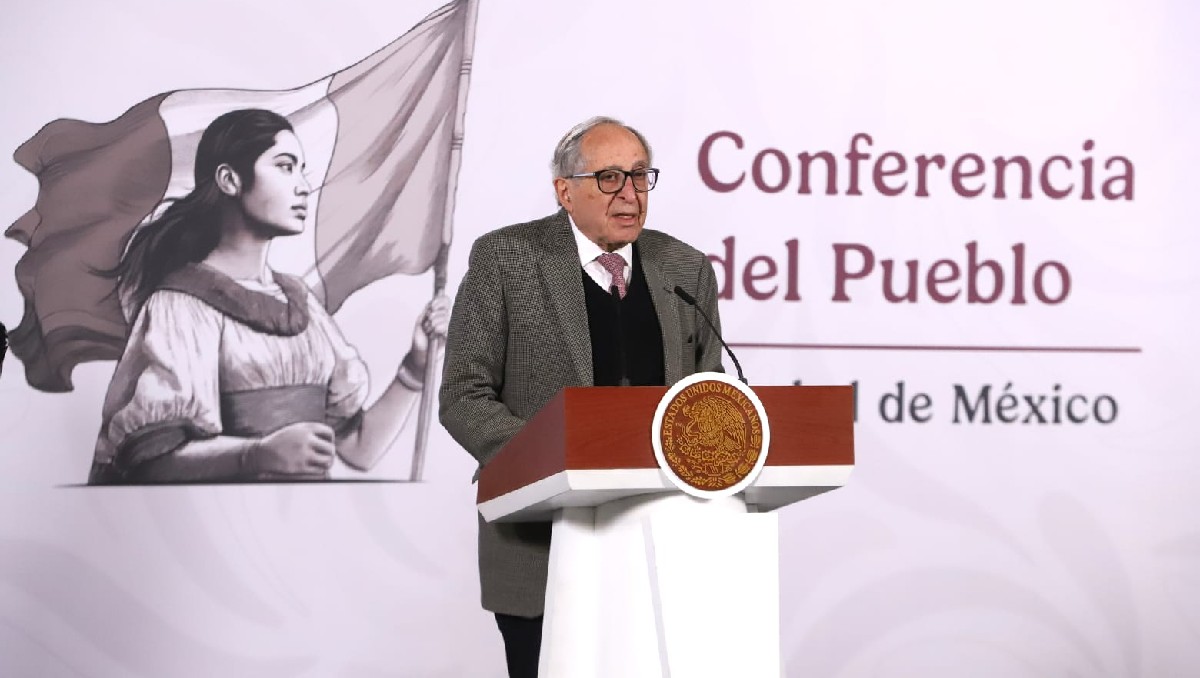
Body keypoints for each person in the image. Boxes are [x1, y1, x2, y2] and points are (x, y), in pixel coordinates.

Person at [438, 116, 725, 677]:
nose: (630, 194)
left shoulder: (684, 267)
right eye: (611, 177)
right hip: (543, 539)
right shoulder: (507, 259)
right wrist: (549, 459)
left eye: (641, 177)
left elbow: (707, 396)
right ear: (564, 190)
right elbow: (464, 394)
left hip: (659, 539)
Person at [89, 108, 448, 484]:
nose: (303, 186)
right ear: (230, 180)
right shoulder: (180, 305)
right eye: (285, 166)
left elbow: (359, 450)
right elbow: (149, 463)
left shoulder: (302, 303)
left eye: (301, 168)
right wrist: (254, 454)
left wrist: (415, 368)